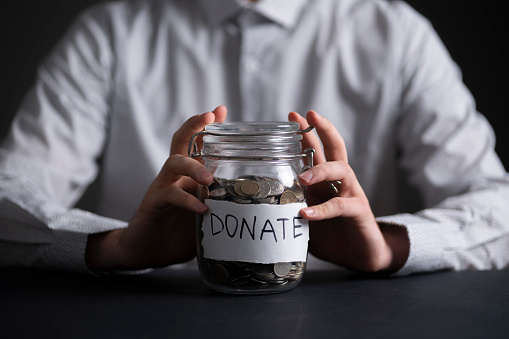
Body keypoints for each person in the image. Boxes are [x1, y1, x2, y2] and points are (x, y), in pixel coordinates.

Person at [1, 0, 508, 275]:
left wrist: (389, 246)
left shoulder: (395, 33)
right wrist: (113, 248)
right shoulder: (110, 32)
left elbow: (499, 208)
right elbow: (8, 198)